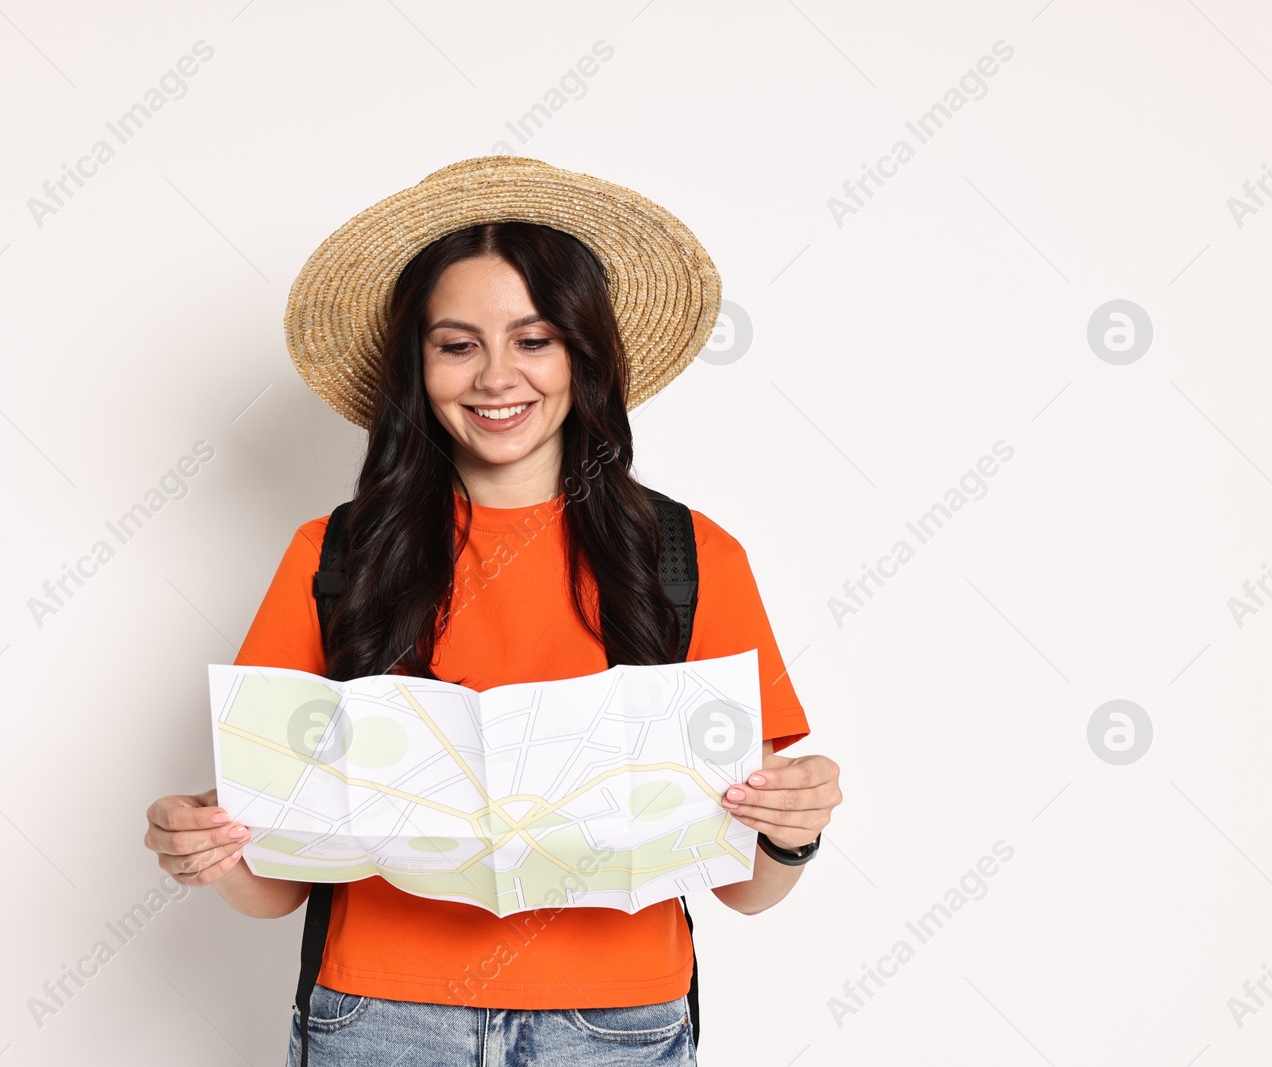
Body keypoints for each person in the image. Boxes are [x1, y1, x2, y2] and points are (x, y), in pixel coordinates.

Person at [143, 156, 843, 1066]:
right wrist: (209, 848)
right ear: (419, 364)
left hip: (618, 1024)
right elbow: (275, 885)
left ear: (583, 351)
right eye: (457, 343)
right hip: (381, 1019)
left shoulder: (689, 555)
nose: (495, 377)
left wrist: (794, 833)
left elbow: (745, 888)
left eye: (535, 338)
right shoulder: (334, 556)